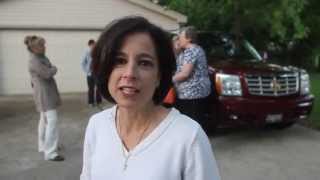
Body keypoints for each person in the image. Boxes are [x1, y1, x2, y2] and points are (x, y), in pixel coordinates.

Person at [80, 16, 220, 180]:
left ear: (159, 76)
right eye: (119, 61)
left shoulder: (189, 138)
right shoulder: (97, 125)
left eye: (144, 63)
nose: (130, 73)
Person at [24, 35, 64, 161]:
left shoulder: (41, 57)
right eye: (42, 45)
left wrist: (51, 69)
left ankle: (43, 146)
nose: (44, 47)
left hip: (45, 92)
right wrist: (54, 68)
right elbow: (47, 73)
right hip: (44, 94)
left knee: (44, 120)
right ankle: (50, 152)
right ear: (35, 48)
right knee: (52, 121)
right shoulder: (34, 60)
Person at [172, 26, 212, 132]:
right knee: (196, 121)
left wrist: (168, 80)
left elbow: (185, 74)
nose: (179, 39)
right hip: (199, 92)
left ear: (189, 38)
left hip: (191, 93)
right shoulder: (197, 49)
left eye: (180, 37)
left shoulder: (190, 51)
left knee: (191, 123)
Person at [81, 39, 102, 107]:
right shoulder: (86, 53)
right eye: (92, 45)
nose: (93, 46)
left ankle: (98, 101)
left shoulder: (98, 52)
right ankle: (91, 102)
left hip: (97, 73)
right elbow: (83, 63)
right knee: (91, 88)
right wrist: (87, 71)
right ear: (89, 45)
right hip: (90, 74)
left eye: (94, 44)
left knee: (98, 87)